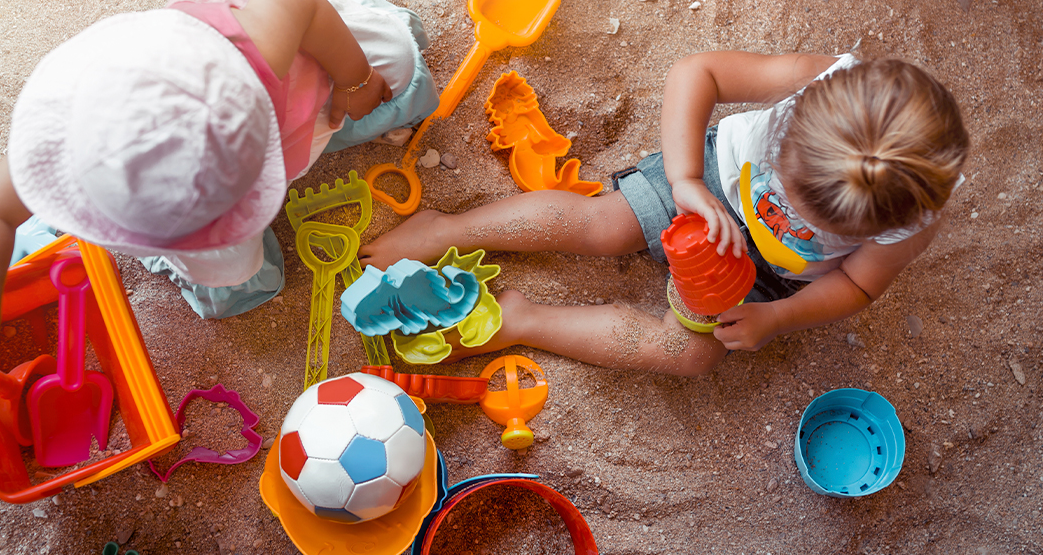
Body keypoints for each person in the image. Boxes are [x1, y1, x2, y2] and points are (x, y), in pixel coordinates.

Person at [0, 0, 440, 402]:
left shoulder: (251, 52)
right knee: (235, 283)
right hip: (271, 118)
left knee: (397, 65)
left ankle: (371, 65)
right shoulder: (67, 143)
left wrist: (354, 80)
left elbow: (299, 1)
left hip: (301, 85)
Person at [360, 51, 969, 378]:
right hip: (712, 181)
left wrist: (777, 317)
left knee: (691, 356)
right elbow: (696, 74)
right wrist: (684, 179)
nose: (789, 208)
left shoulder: (910, 218)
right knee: (603, 225)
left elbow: (859, 283)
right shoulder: (819, 80)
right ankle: (447, 228)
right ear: (796, 121)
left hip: (773, 275)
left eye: (820, 217)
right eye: (788, 184)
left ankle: (524, 321)